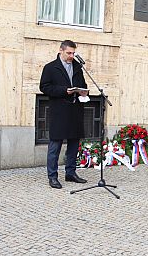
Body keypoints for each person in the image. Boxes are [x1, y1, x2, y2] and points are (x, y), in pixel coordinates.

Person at [40, 40, 89, 189]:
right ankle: (52, 176)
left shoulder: (77, 67)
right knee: (55, 145)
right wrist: (63, 91)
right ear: (61, 51)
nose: (71, 56)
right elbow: (44, 87)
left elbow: (84, 85)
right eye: (68, 53)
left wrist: (83, 92)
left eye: (73, 53)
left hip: (75, 110)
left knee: (74, 143)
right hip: (59, 110)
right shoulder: (50, 67)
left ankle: (71, 173)